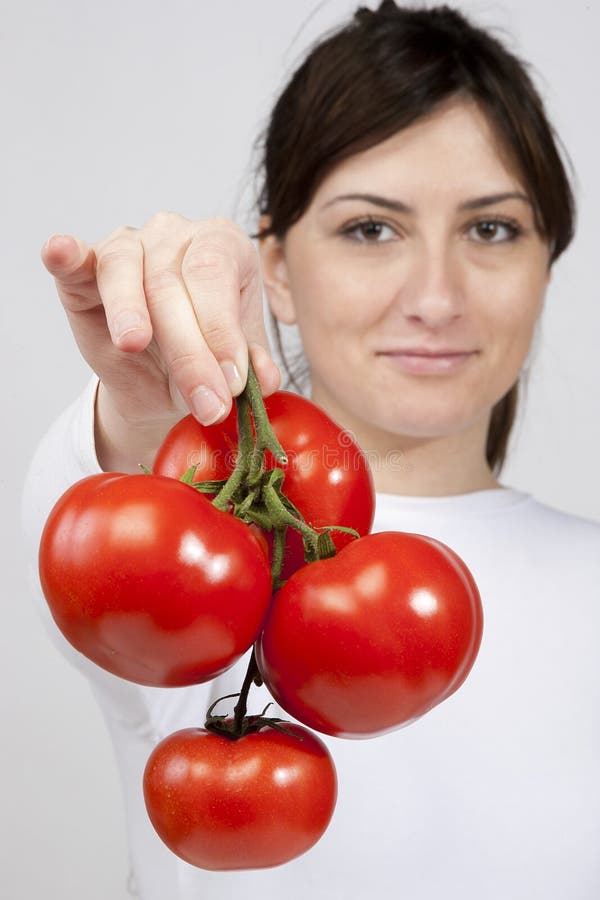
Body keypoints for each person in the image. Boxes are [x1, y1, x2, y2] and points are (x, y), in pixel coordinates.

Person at [22, 2, 600, 898]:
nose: (437, 298)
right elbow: (103, 517)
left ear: (546, 266)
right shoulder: (182, 552)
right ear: (278, 268)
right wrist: (152, 401)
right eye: (371, 228)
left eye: (491, 229)